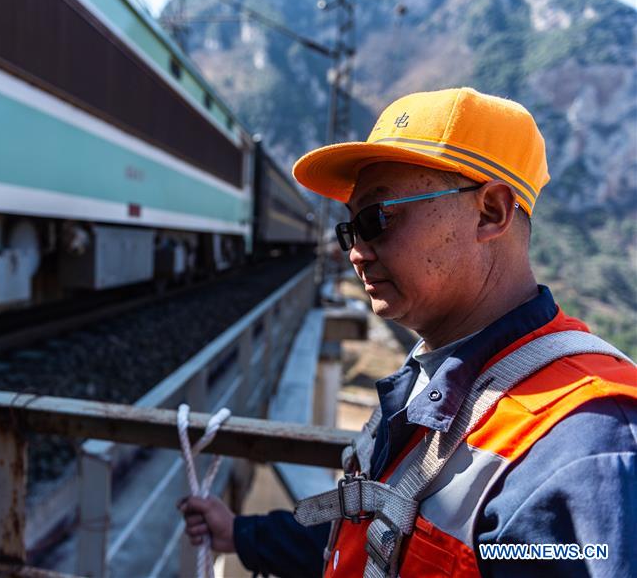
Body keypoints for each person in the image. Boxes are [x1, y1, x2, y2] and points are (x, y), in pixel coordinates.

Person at [179, 87, 637, 577]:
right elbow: (378, 530)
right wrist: (242, 535)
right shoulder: (434, 376)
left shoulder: (589, 445)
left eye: (378, 219)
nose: (355, 252)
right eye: (351, 230)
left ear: (491, 213)